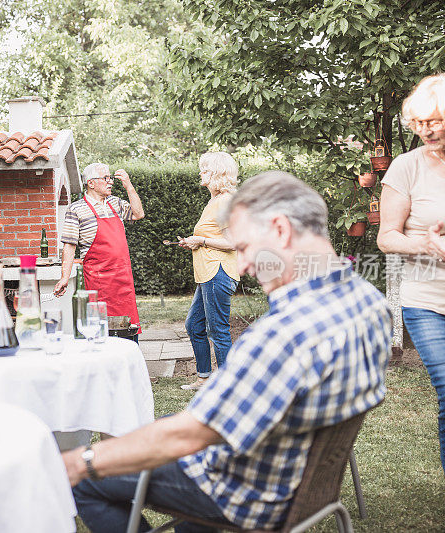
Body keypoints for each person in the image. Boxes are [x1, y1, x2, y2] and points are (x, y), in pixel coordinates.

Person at [62, 171, 392, 532]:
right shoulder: (370, 304)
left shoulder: (281, 334)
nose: (245, 265)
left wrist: (83, 459)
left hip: (246, 493)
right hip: (301, 483)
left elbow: (188, 435)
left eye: (246, 247)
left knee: (82, 478)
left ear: (280, 229)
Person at [377, 72, 445, 531]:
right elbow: (386, 238)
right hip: (429, 300)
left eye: (434, 121)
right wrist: (426, 247)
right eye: (418, 122)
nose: (426, 130)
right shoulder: (407, 166)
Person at [53, 164, 144, 336]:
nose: (110, 182)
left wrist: (129, 186)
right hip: (98, 281)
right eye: (106, 178)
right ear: (91, 183)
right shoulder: (76, 209)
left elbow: (138, 214)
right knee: (103, 330)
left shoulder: (115, 203)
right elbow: (70, 245)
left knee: (128, 329)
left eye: (110, 178)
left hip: (123, 278)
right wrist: (65, 277)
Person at [178, 152, 240, 390]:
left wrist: (201, 240)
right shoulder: (214, 201)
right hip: (208, 274)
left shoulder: (225, 201)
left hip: (219, 272)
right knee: (194, 325)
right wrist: (195, 240)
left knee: (218, 330)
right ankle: (204, 378)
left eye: (204, 170)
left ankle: (228, 386)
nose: (200, 173)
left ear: (216, 173)